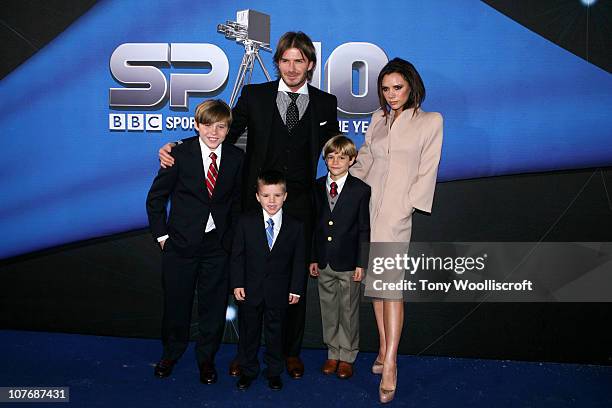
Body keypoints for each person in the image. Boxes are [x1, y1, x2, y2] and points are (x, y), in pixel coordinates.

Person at [158, 31, 339, 378]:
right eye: (285, 60)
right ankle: (246, 352)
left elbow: (336, 150)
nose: (291, 67)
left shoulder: (325, 103)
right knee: (249, 281)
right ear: (278, 63)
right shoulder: (254, 95)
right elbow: (218, 131)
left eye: (298, 60)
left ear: (310, 64)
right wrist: (177, 147)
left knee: (292, 280)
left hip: (299, 206)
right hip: (254, 203)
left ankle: (289, 352)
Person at [350, 58, 443, 403]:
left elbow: (428, 167)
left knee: (391, 286)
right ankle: (383, 348)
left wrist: (407, 206)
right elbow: (364, 160)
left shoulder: (430, 121)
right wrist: (342, 187)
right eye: (385, 89)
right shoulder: (377, 119)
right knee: (378, 285)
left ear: (411, 85)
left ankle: (390, 362)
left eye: (397, 88)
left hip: (397, 213)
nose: (391, 95)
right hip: (368, 208)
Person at [146, 99, 244, 384]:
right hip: (180, 247)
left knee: (213, 309)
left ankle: (206, 360)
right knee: (177, 305)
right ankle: (171, 354)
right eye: (207, 125)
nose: (214, 132)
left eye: (221, 126)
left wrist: (231, 243)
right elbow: (155, 199)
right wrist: (163, 237)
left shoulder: (237, 159)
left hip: (218, 249)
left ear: (228, 129)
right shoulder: (179, 154)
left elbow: (237, 205)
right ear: (196, 125)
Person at [231, 171, 305, 391]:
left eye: (277, 195)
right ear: (257, 197)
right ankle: (247, 370)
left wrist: (296, 288)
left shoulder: (296, 226)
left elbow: (299, 260)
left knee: (276, 334)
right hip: (250, 289)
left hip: (279, 291)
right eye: (266, 195)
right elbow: (237, 255)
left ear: (285, 196)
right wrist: (237, 283)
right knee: (248, 333)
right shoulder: (245, 222)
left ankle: (274, 371)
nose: (271, 201)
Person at [309, 135, 370, 380]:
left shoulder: (361, 190)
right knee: (329, 309)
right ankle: (332, 352)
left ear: (352, 160)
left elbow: (364, 228)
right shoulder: (316, 186)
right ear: (325, 159)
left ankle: (347, 356)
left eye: (342, 157)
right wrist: (313, 256)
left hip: (348, 263)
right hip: (324, 260)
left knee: (348, 310)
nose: (336, 161)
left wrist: (361, 262)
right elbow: (314, 225)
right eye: (331, 156)